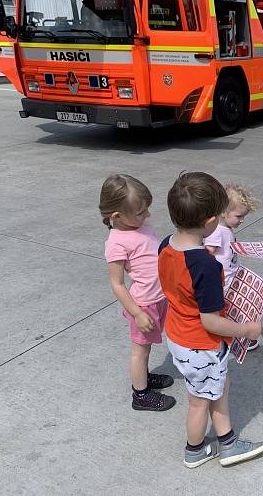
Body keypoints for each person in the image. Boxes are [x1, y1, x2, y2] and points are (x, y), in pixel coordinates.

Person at [158, 172, 263, 468]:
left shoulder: (166, 245)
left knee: (213, 389)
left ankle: (228, 440)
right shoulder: (205, 265)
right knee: (198, 402)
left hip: (178, 335)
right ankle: (194, 451)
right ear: (210, 222)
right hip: (201, 344)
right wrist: (248, 328)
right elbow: (210, 321)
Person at [99, 174, 176, 411]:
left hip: (159, 298)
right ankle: (140, 394)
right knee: (139, 350)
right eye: (141, 212)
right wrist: (137, 313)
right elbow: (117, 284)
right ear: (117, 217)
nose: (148, 216)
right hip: (143, 305)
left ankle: (144, 375)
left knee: (148, 347)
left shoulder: (141, 226)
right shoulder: (116, 243)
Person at [205, 183, 261, 351]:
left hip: (230, 276)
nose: (241, 220)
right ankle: (236, 337)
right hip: (223, 280)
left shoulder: (225, 228)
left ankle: (235, 335)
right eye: (238, 216)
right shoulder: (217, 231)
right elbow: (208, 253)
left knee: (235, 307)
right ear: (223, 212)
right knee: (232, 309)